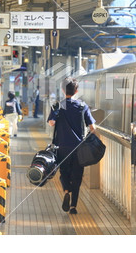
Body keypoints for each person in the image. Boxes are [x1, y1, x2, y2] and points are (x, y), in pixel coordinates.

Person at [47, 77, 96, 215]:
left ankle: (66, 190)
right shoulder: (82, 106)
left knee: (64, 172)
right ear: (76, 91)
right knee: (77, 176)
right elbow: (92, 127)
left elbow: (51, 122)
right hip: (79, 148)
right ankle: (73, 206)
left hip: (62, 147)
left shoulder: (58, 105)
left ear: (63, 90)